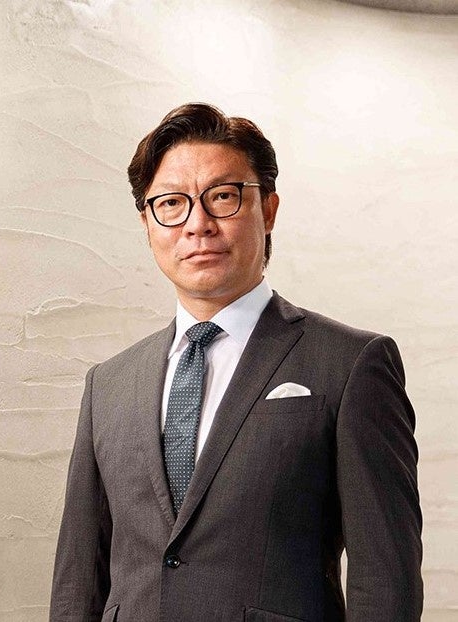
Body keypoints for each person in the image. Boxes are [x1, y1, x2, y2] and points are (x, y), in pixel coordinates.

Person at [49, 103, 422, 621]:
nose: (197, 225)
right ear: (147, 223)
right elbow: (78, 581)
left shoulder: (350, 364)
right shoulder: (108, 384)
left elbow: (385, 581)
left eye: (222, 197)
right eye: (171, 204)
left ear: (267, 210)